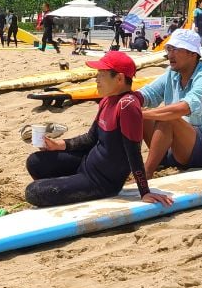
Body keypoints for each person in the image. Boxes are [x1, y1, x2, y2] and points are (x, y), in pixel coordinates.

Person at [24, 51, 173, 208]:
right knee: (35, 162)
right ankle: (68, 185)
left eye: (101, 74)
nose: (96, 79)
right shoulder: (107, 100)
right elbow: (90, 138)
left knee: (33, 192)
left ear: (120, 78)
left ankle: (70, 187)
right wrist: (59, 144)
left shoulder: (127, 106)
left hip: (101, 182)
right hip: (85, 163)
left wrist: (144, 191)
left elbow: (134, 153)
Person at [139, 29, 202, 178]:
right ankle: (153, 161)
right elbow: (149, 93)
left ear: (193, 54)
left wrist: (141, 114)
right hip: (175, 148)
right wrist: (129, 101)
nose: (170, 54)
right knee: (136, 108)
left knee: (168, 116)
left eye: (177, 49)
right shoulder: (172, 73)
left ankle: (146, 174)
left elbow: (185, 108)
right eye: (169, 49)